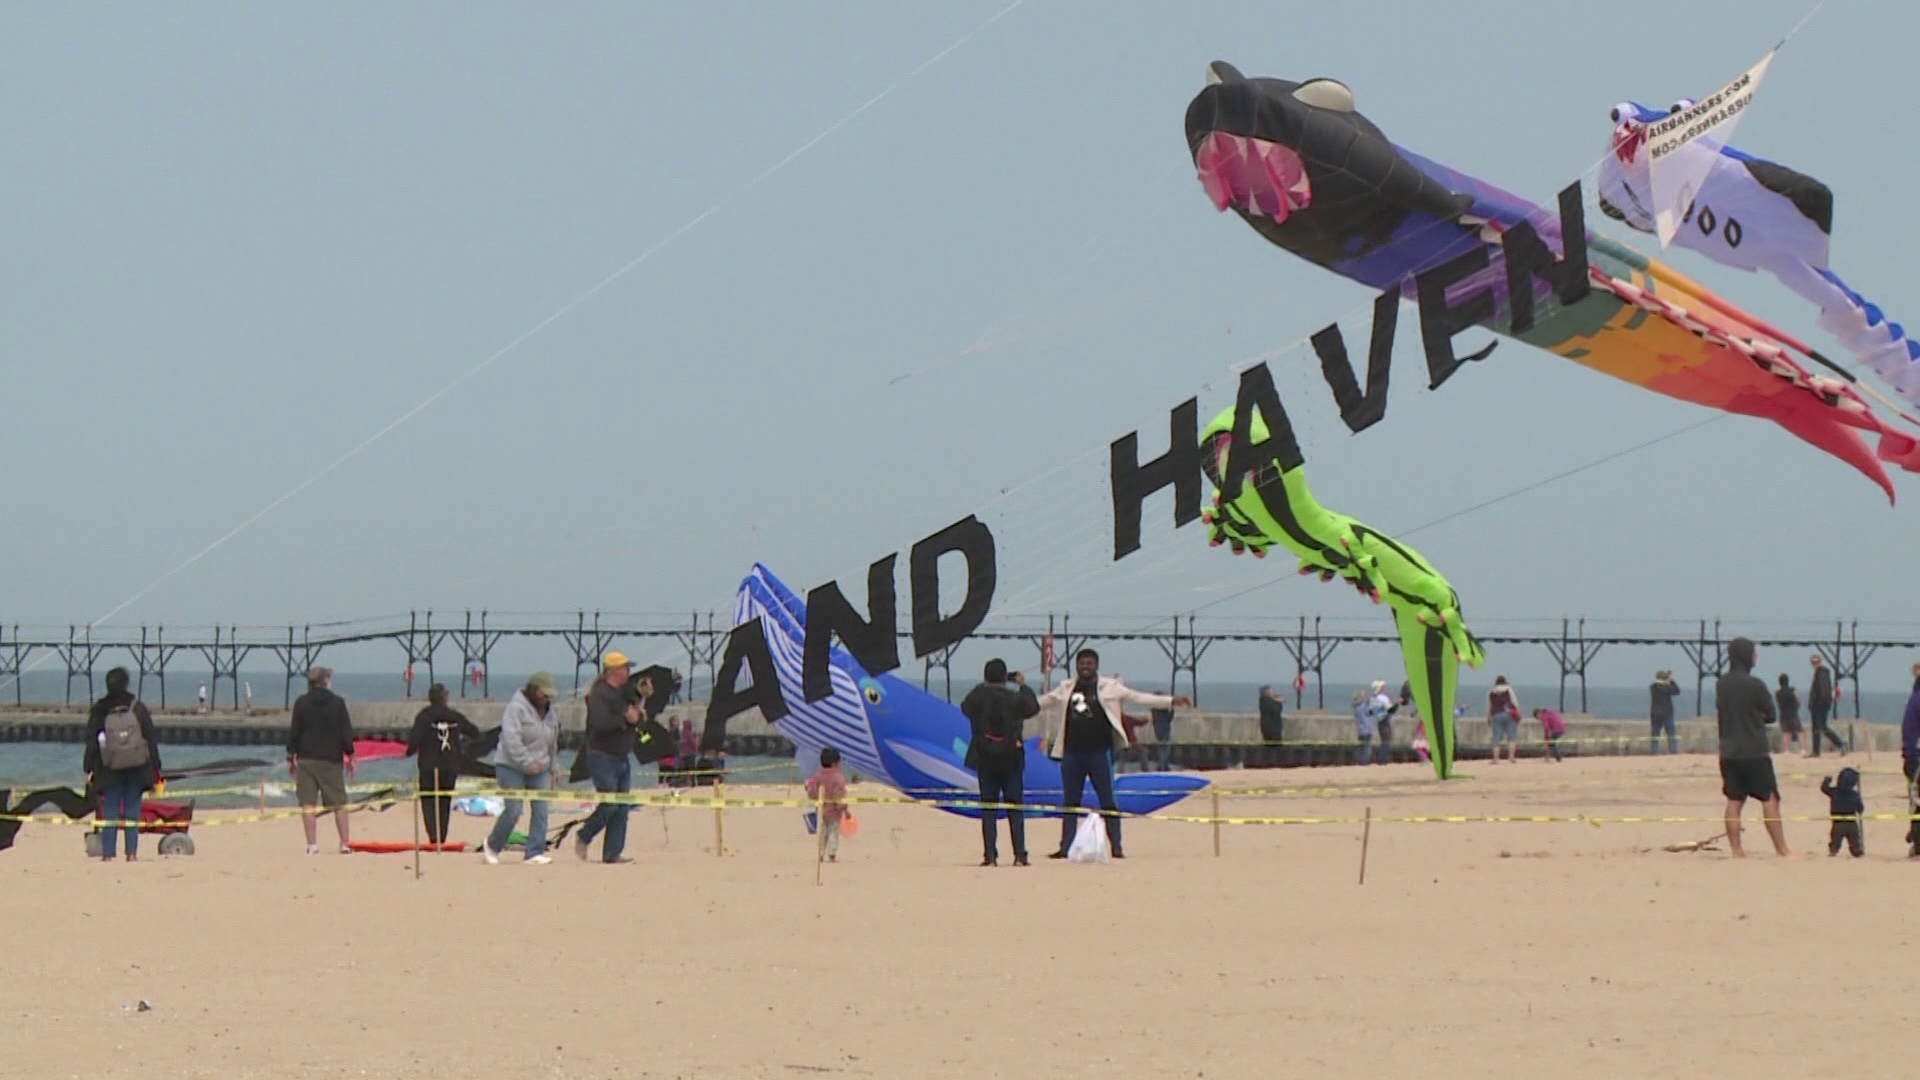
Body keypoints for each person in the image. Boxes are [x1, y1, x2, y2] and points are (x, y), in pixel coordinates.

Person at [1036, 649, 1189, 860]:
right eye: (1082, 664)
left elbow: (1140, 697)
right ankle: (1065, 848)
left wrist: (1171, 701)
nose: (1085, 667)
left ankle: (1116, 847)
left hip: (1099, 753)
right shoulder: (1066, 688)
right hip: (1072, 753)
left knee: (1108, 801)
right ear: (1077, 666)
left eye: (1089, 663)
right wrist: (1014, 704)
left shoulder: (1111, 688)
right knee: (1070, 801)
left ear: (1096, 666)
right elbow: (1043, 702)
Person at [960, 659, 1040, 867]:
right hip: (1011, 758)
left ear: (986, 677)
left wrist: (983, 686)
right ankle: (1020, 855)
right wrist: (1023, 686)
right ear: (1006, 677)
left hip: (985, 758)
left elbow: (964, 707)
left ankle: (990, 855)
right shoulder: (1014, 699)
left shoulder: (978, 698)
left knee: (988, 808)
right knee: (1015, 807)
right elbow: (1033, 707)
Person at [1717, 637, 1789, 858]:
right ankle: (1781, 849)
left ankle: (1737, 850)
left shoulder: (1722, 683)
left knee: (1734, 800)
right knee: (1769, 799)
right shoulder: (1755, 685)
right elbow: (1771, 715)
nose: (1756, 657)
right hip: (1754, 750)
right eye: (1754, 653)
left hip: (1728, 750)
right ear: (1746, 655)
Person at [83, 667, 161, 862]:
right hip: (136, 766)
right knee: (133, 808)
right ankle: (132, 853)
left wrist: (89, 767)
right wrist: (156, 768)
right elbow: (150, 738)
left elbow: (92, 740)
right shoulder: (137, 707)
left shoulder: (100, 709)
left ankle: (108, 853)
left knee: (110, 807)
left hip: (109, 767)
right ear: (127, 684)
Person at [485, 672, 562, 865]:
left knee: (542, 809)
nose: (547, 698)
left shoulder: (550, 712)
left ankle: (534, 851)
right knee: (514, 809)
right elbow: (511, 740)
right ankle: (493, 845)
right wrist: (527, 762)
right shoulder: (516, 708)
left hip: (541, 766)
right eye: (544, 694)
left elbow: (552, 743)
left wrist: (554, 768)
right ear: (534, 690)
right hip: (511, 765)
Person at [574, 651, 642, 864]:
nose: (628, 672)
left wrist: (637, 715)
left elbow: (636, 715)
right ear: (614, 671)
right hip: (602, 755)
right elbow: (601, 722)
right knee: (610, 803)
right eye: (624, 668)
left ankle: (612, 852)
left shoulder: (624, 692)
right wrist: (625, 718)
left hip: (622, 754)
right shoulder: (600, 693)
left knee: (622, 807)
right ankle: (584, 834)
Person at [288, 665, 356, 855]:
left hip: (307, 758)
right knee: (339, 803)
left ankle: (312, 845)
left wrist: (290, 756)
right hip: (331, 759)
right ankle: (344, 843)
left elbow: (295, 732)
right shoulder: (337, 703)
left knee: (308, 803)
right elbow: (346, 733)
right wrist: (351, 755)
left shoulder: (301, 703)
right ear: (325, 680)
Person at [404, 683, 480, 846]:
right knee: (444, 801)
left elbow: (413, 744)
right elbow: (475, 732)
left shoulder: (423, 717)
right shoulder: (454, 716)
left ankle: (433, 836)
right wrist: (462, 745)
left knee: (429, 801)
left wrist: (407, 751)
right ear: (446, 697)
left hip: (428, 766)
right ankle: (442, 837)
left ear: (430, 698)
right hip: (449, 765)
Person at [804, 747, 850, 863]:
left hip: (821, 811)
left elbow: (813, 793)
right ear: (835, 763)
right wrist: (845, 810)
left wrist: (808, 789)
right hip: (834, 813)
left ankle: (820, 854)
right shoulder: (838, 778)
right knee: (834, 833)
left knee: (822, 834)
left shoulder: (818, 776)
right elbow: (839, 797)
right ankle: (832, 854)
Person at [1819, 767, 1865, 858]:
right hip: (1851, 821)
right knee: (1854, 839)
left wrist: (1827, 780)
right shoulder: (1854, 794)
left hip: (1838, 821)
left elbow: (1824, 789)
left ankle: (1833, 851)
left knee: (1836, 839)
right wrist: (1860, 810)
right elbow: (1860, 808)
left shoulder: (1835, 792)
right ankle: (1857, 852)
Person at [1808, 655, 1845, 757]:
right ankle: (1816, 751)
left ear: (1820, 662)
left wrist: (1819, 703)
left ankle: (1840, 744)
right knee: (1819, 727)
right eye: (1813, 662)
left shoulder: (1822, 673)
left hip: (1820, 705)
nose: (1814, 664)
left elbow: (1823, 691)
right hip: (1819, 704)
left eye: (1816, 662)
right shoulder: (1820, 673)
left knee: (1820, 727)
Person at [1487, 677, 1520, 764]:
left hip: (1496, 714)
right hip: (1509, 714)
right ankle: (1511, 757)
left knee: (1496, 738)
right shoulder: (1509, 689)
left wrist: (1488, 717)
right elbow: (1515, 702)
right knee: (1511, 737)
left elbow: (1490, 705)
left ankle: (1496, 759)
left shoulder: (1491, 692)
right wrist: (1517, 712)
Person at [1649, 670, 1681, 754]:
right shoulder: (1666, 688)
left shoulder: (1653, 687)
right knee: (1671, 734)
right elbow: (1677, 691)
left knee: (1655, 734)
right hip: (1667, 713)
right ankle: (1673, 750)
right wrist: (1672, 680)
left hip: (1655, 713)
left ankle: (1654, 751)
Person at [1775, 674, 1803, 756]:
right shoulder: (1793, 690)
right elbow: (1798, 701)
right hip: (1793, 713)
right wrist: (1796, 707)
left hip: (1783, 714)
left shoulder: (1778, 693)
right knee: (1799, 730)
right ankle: (1802, 749)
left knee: (1786, 732)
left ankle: (1786, 750)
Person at [1150, 699, 1177, 772]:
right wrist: (1172, 710)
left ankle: (1163, 765)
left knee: (1160, 748)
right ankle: (1162, 766)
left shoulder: (1153, 709)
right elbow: (1169, 718)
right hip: (1165, 729)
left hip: (1157, 730)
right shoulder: (1163, 709)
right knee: (1165, 749)